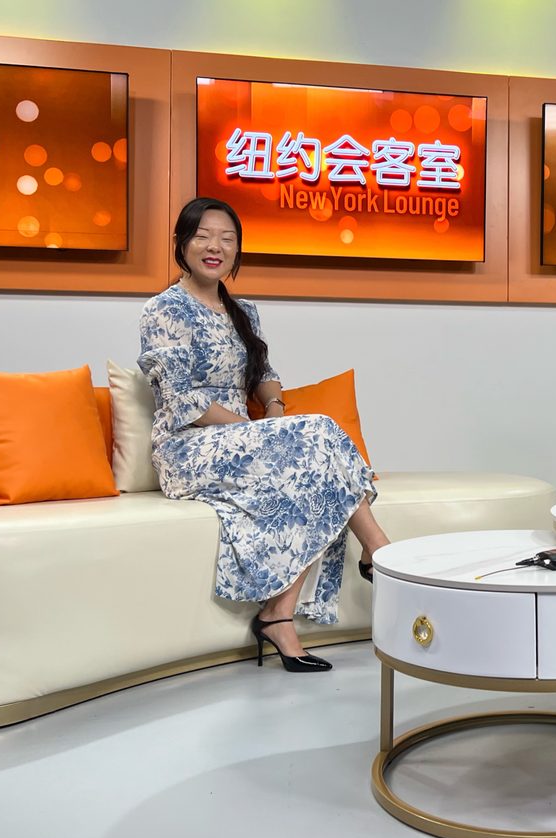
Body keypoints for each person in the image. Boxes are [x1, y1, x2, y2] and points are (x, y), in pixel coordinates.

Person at [138, 197, 390, 673]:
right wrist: (258, 429)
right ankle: (378, 550)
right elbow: (180, 399)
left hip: (242, 443)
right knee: (315, 434)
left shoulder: (244, 312)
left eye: (227, 239)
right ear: (182, 244)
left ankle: (278, 615)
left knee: (312, 468)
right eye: (203, 236)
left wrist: (273, 408)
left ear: (237, 251)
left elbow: (264, 374)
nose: (215, 247)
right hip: (189, 447)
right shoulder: (164, 310)